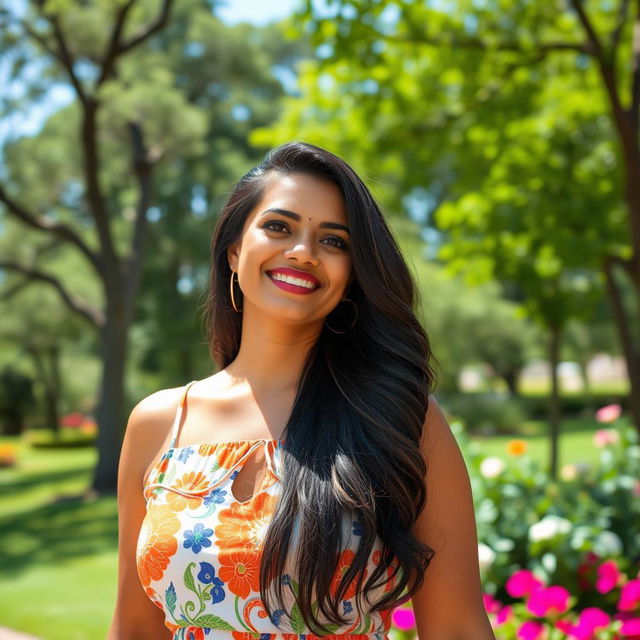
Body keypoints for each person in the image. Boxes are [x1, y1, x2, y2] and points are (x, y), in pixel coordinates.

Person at [107, 141, 495, 640]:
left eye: (333, 241)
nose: (302, 252)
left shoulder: (399, 419)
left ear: (354, 274)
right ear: (234, 250)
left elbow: (457, 627)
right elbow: (134, 628)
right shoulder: (159, 422)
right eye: (278, 227)